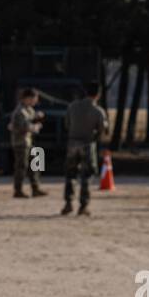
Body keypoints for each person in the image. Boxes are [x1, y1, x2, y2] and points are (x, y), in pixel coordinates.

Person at [62, 81, 108, 216]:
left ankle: (68, 203)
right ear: (98, 94)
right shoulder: (98, 110)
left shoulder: (72, 106)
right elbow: (102, 129)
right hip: (88, 144)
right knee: (86, 176)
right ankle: (83, 205)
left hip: (72, 143)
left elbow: (67, 124)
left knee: (70, 174)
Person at [11, 87, 47, 198]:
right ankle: (18, 190)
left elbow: (31, 118)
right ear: (27, 98)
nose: (35, 101)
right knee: (21, 166)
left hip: (28, 141)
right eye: (34, 99)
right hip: (21, 142)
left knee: (36, 164)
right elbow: (24, 126)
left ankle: (36, 187)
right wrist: (35, 126)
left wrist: (37, 117)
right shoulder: (20, 111)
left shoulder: (29, 110)